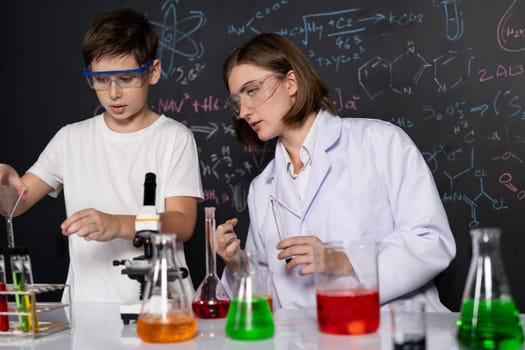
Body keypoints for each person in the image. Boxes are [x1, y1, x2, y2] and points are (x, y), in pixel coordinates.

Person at [215, 33, 456, 311]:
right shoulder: (262, 188)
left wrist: (341, 260)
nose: (243, 111)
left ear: (290, 83)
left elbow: (431, 243)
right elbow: (269, 299)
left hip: (392, 329)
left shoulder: (380, 142)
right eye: (236, 101)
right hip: (305, 338)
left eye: (252, 90)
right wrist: (236, 265)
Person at [0, 8, 203, 304]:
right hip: (87, 310)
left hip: (162, 309)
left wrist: (117, 224)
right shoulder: (71, 139)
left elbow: (183, 223)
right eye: (101, 79)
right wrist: (4, 182)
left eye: (125, 77)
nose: (113, 93)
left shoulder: (174, 138)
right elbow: (14, 205)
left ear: (153, 71)